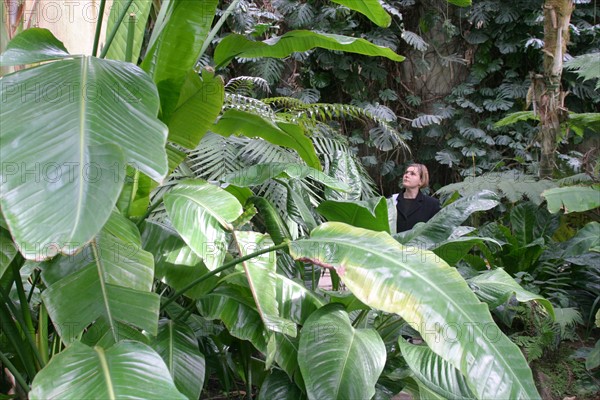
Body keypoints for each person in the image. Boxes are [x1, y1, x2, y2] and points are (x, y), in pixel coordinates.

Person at [388, 163, 441, 233]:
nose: (406, 175)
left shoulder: (432, 204)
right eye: (406, 172)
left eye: (412, 174)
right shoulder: (391, 200)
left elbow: (436, 230)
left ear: (421, 181)